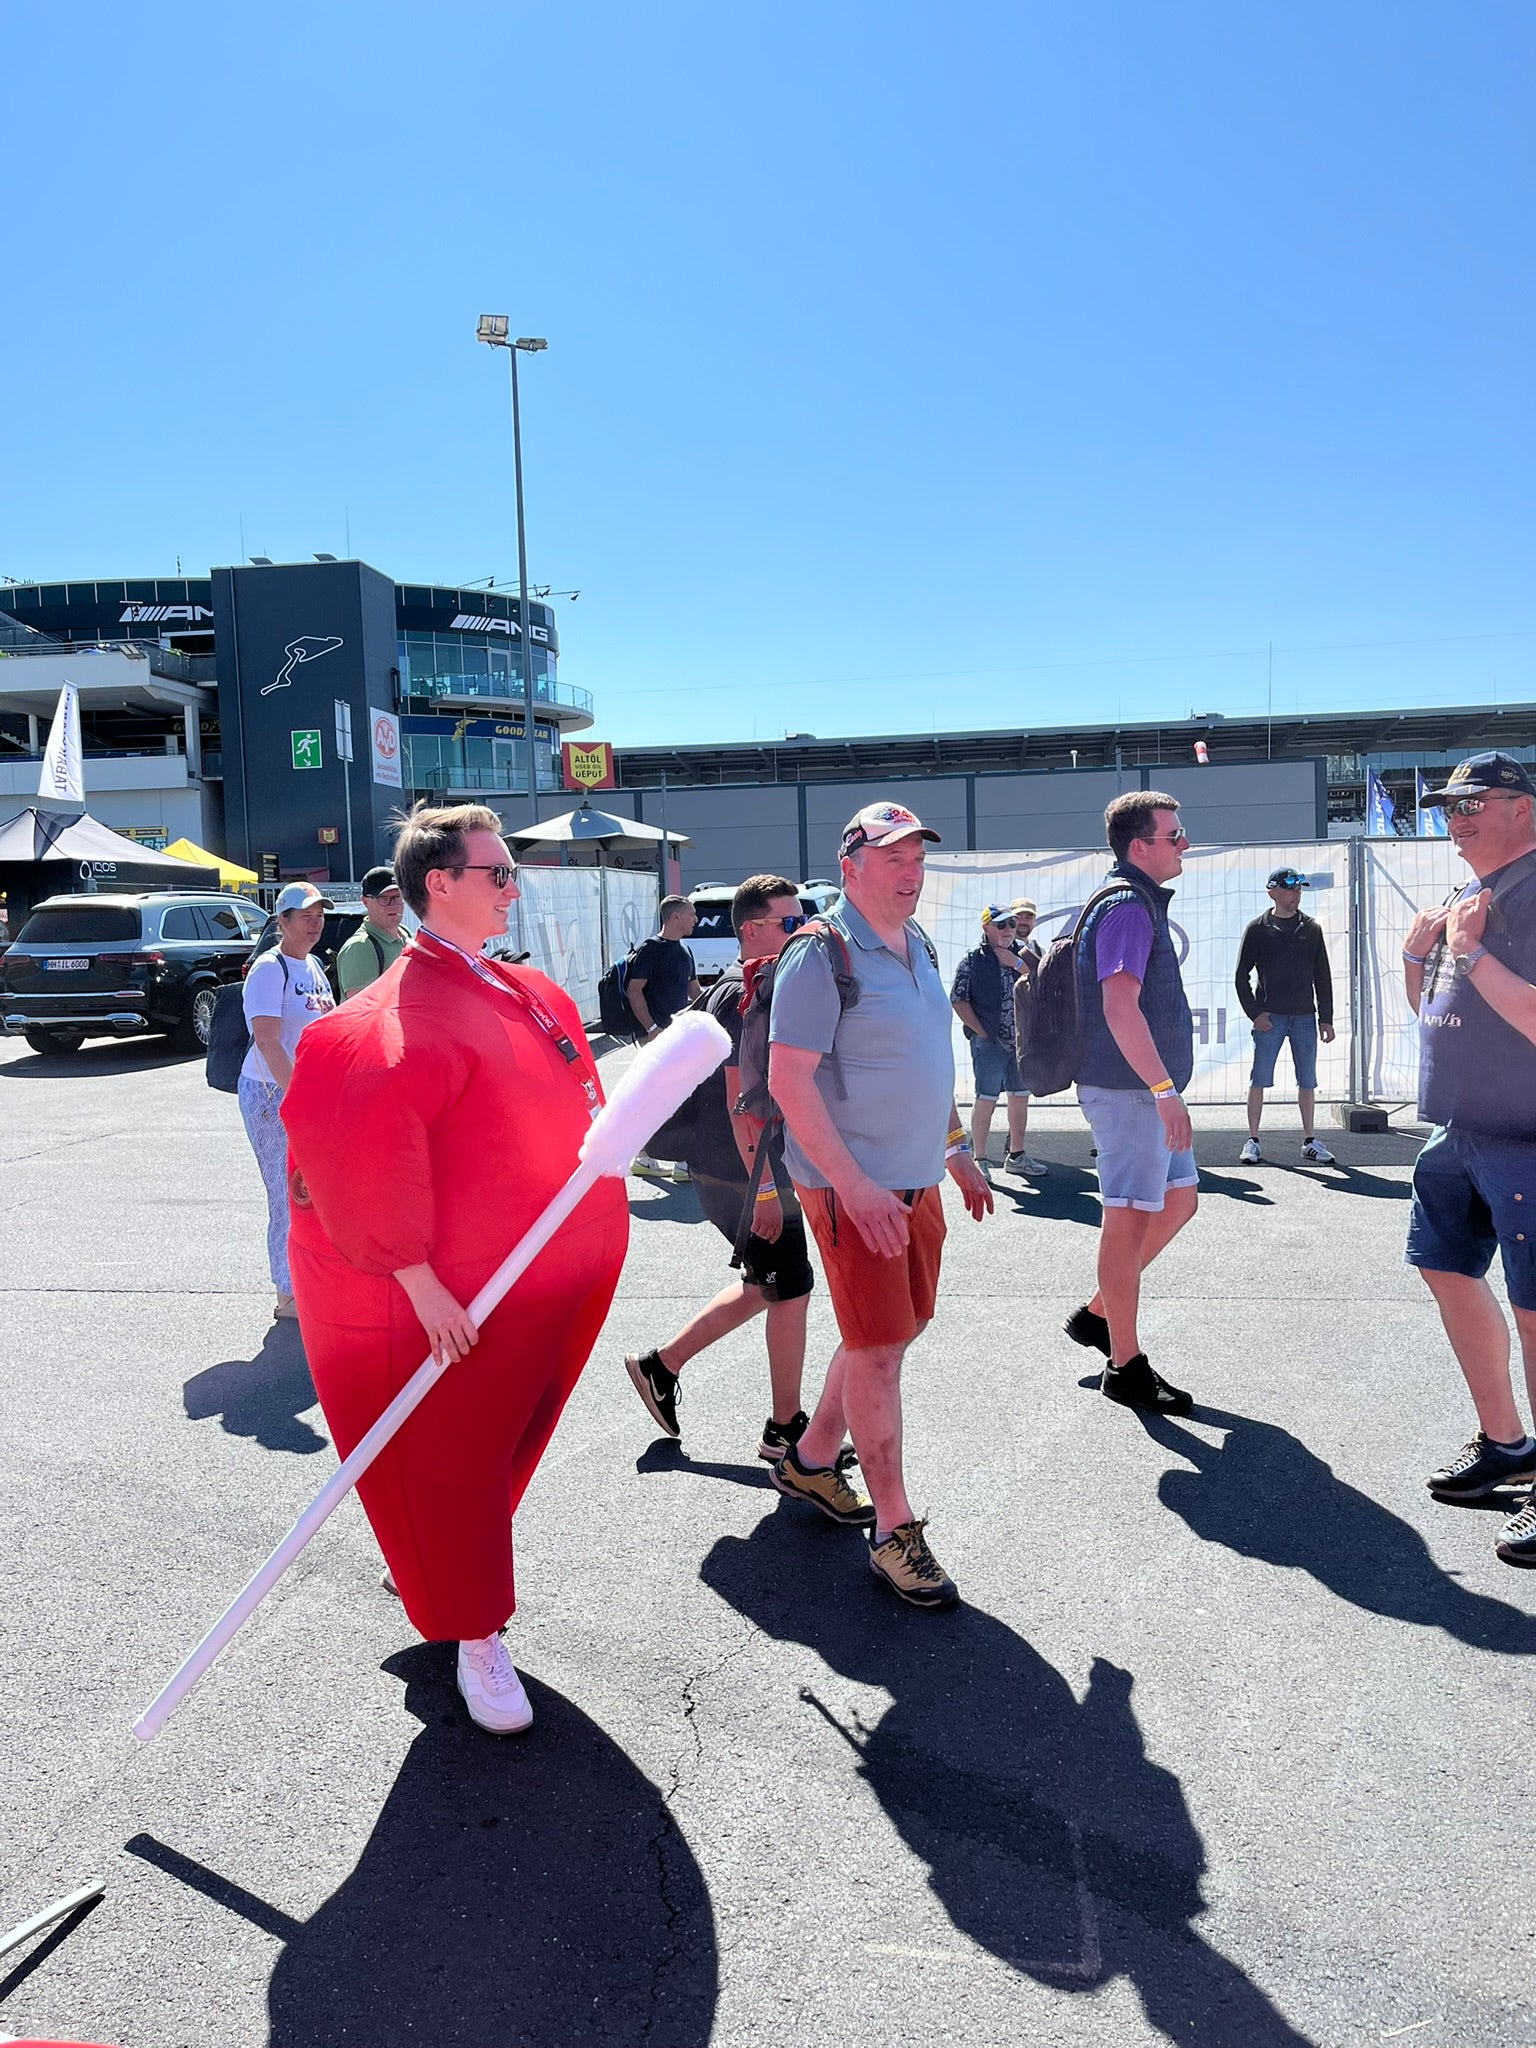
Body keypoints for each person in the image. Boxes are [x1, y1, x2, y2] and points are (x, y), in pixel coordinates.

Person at [280, 803, 628, 1733]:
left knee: (495, 1451)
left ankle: (440, 1569)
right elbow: (351, 1154)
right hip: (460, 1296)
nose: (513, 887)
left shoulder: (523, 990)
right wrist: (419, 1282)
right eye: (497, 873)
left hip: (536, 1275)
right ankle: (477, 1635)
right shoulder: (386, 1017)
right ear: (439, 883)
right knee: (456, 1462)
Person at [768, 800, 993, 1609]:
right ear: (850, 867)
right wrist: (855, 1186)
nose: (910, 872)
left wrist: (956, 1148)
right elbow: (787, 1082)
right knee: (881, 1350)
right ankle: (893, 1529)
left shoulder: (918, 943)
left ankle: (813, 1459)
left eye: (916, 858)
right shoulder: (818, 955)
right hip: (850, 1188)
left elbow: (928, 1061)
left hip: (914, 1178)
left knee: (888, 1333)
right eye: (892, 858)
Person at [625, 875, 819, 1460]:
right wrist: (763, 1190)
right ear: (752, 930)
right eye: (790, 923)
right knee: (790, 1290)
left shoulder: (738, 987)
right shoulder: (746, 995)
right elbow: (742, 1104)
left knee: (768, 1285)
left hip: (731, 1168)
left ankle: (661, 1365)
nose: (803, 931)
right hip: (746, 1171)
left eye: (804, 919)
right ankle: (785, 1428)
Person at [1401, 752, 1536, 1570]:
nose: (1456, 819)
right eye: (1448, 807)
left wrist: (1473, 953)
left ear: (1523, 806)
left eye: (1473, 803)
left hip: (1526, 1136)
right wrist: (1422, 958)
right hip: (1459, 1130)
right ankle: (1508, 1444)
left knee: (1535, 1311)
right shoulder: (1472, 896)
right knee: (1445, 1268)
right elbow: (1437, 1013)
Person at [1062, 792, 1198, 1415]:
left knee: (1179, 1201)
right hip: (1127, 1092)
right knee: (1128, 1217)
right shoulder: (1127, 908)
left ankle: (1099, 1314)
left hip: (1137, 1090)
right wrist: (1163, 1091)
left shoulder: (1136, 902)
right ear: (1138, 846)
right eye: (1174, 835)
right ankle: (1125, 1363)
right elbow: (1120, 1005)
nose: (1184, 844)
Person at [239, 881, 336, 1321]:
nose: (315, 923)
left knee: (312, 1191)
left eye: (319, 915)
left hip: (307, 1095)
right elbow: (267, 1041)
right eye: (305, 916)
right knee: (285, 1192)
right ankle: (287, 1292)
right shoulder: (268, 968)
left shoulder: (313, 964)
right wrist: (296, 1098)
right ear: (282, 921)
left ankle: (312, 1279)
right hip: (270, 1093)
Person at [1234, 867, 1337, 1165]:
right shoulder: (1258, 928)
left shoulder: (1312, 928)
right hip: (1271, 1018)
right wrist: (1255, 1013)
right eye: (1290, 888)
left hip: (1305, 1016)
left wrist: (1326, 1018)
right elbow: (1241, 976)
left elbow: (1323, 976)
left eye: (1299, 888)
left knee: (1307, 1080)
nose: (1296, 893)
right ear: (1272, 892)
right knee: (1259, 1079)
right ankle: (1252, 1140)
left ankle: (1309, 1140)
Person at [950, 901, 1046, 1176]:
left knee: (1019, 1097)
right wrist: (980, 1031)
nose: (1007, 930)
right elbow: (958, 999)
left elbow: (1045, 982)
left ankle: (1016, 1155)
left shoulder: (1025, 954)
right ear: (986, 927)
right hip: (989, 1042)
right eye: (1000, 924)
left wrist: (1017, 963)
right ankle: (979, 1158)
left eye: (1011, 924)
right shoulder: (973, 959)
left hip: (1021, 1040)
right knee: (986, 1098)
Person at [628, 894, 701, 1181]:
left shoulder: (685, 951)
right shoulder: (651, 949)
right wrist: (650, 1030)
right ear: (674, 917)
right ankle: (671, 1160)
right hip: (656, 1038)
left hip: (679, 1037)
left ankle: (651, 1157)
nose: (696, 920)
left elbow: (695, 992)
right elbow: (634, 990)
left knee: (674, 1096)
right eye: (691, 914)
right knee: (668, 1096)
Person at [336, 864, 408, 998]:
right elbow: (361, 1010)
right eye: (384, 899)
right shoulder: (360, 947)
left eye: (397, 897)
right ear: (365, 902)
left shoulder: (406, 935)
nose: (392, 904)